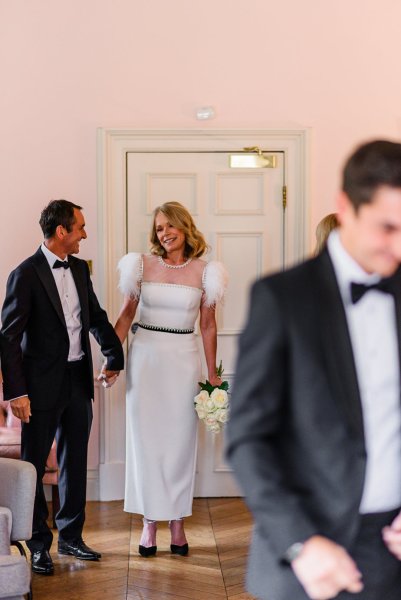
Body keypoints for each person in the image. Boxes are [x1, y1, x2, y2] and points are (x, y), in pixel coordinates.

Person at [226, 140, 401, 600]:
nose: (399, 245)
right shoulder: (283, 299)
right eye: (387, 227)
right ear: (345, 207)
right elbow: (248, 440)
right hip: (305, 557)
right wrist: (301, 541)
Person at [0, 200, 124, 575]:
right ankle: (37, 544)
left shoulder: (81, 271)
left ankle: (72, 536)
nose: (85, 233)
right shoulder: (25, 274)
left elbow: (96, 317)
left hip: (76, 379)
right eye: (81, 227)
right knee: (34, 465)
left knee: (74, 461)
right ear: (61, 232)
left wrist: (113, 356)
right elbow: (8, 337)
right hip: (37, 388)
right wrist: (16, 394)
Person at [110, 201, 227, 557]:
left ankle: (177, 523)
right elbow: (126, 315)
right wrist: (111, 360)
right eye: (159, 228)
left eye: (171, 226)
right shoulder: (140, 265)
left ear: (185, 228)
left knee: (179, 444)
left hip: (183, 361)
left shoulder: (207, 272)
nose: (165, 233)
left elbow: (207, 325)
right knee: (146, 443)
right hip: (145, 359)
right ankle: (149, 523)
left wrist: (212, 377)